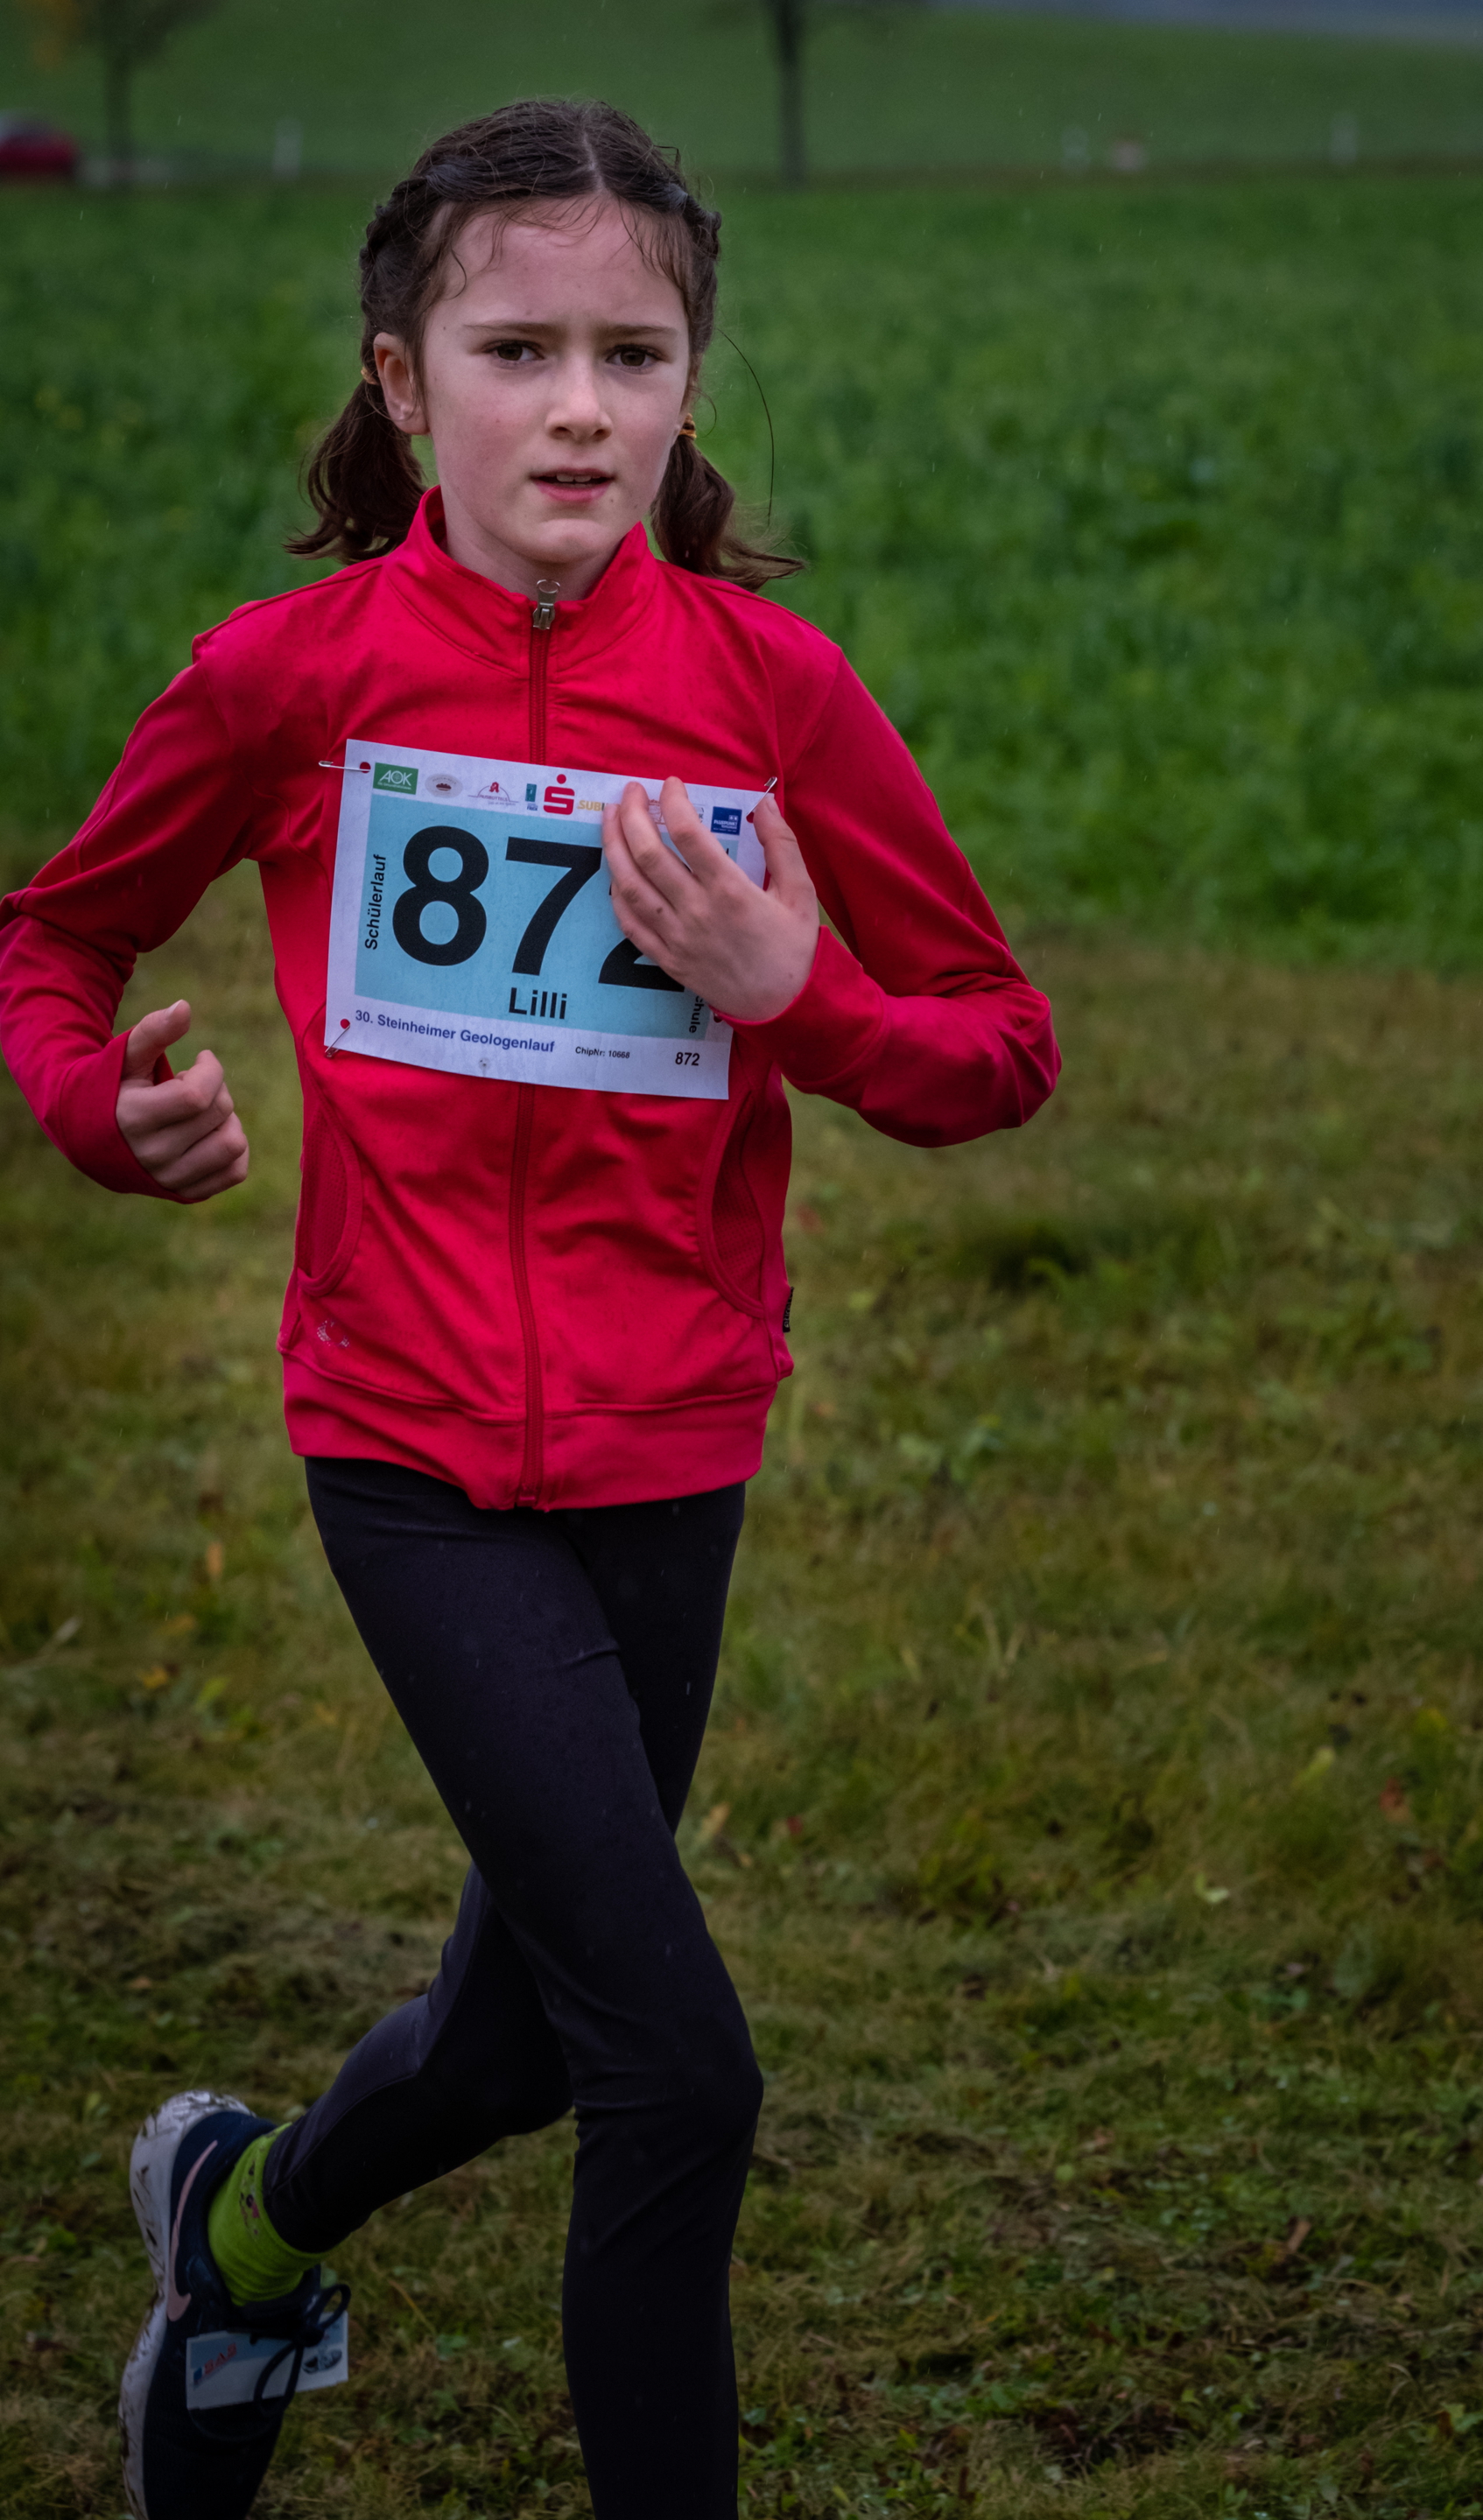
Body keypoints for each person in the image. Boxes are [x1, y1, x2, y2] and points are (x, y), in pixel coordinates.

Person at [0, 97, 1058, 2520]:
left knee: (515, 2042)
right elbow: (54, 938)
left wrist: (798, 995)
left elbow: (997, 1047)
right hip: (408, 1452)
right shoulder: (288, 681)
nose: (579, 408)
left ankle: (241, 2239)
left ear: (688, 384)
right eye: (516, 351)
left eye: (633, 354)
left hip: (674, 1449)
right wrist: (93, 1111)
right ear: (403, 382)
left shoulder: (777, 694)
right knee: (676, 2071)